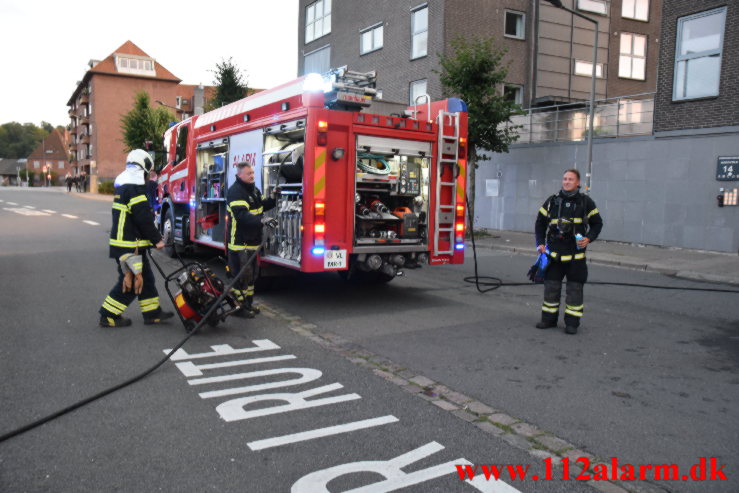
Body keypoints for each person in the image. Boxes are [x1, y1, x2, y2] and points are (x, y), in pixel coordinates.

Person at [98, 149, 173, 327]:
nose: (150, 176)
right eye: (149, 172)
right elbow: (143, 219)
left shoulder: (125, 187)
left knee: (146, 278)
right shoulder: (134, 189)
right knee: (130, 283)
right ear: (144, 170)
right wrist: (158, 240)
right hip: (129, 247)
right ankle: (108, 315)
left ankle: (152, 313)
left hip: (128, 245)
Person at [534, 169, 603, 335]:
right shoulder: (552, 201)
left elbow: (597, 223)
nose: (566, 182)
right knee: (551, 289)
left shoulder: (586, 202)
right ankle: (548, 320)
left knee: (575, 291)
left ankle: (572, 324)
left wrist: (589, 238)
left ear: (578, 183)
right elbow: (540, 223)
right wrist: (540, 243)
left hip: (575, 258)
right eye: (564, 179)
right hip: (554, 257)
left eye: (570, 179)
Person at [226, 162, 277, 318]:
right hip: (240, 242)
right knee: (240, 277)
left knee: (251, 276)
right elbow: (242, 216)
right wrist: (261, 220)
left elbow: (261, 205)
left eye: (253, 173)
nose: (252, 176)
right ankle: (238, 308)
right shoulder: (235, 192)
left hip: (253, 241)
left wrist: (274, 197)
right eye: (249, 173)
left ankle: (248, 304)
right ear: (240, 174)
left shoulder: (253, 190)